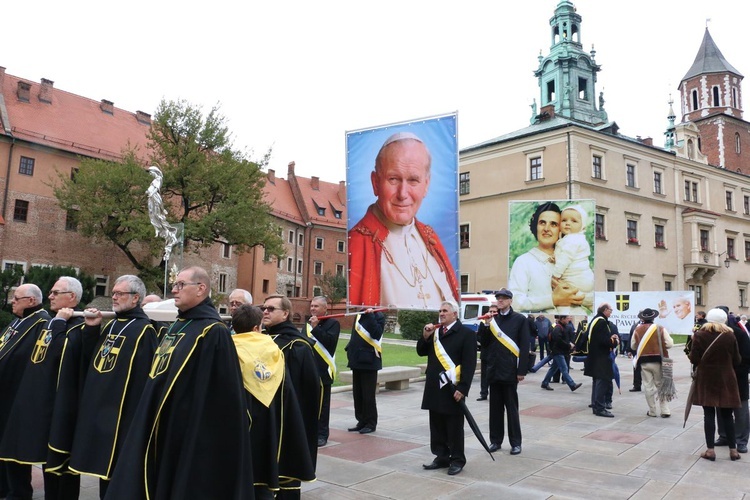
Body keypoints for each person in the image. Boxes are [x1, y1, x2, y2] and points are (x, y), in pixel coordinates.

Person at [105, 266, 253, 499]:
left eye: (181, 285)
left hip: (186, 431)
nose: (174, 290)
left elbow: (220, 395)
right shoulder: (178, 325)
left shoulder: (213, 331)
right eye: (174, 285)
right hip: (161, 423)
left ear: (201, 289)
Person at [69, 275, 158, 499]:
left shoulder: (144, 330)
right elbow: (94, 362)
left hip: (121, 415)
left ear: (135, 298)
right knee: (102, 472)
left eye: (120, 294)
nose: (114, 297)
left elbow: (143, 378)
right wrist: (91, 330)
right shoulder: (113, 324)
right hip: (100, 411)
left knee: (118, 476)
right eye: (114, 293)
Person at [348, 132, 459, 309]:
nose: (402, 194)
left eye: (413, 180)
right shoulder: (356, 243)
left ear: (426, 185)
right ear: (375, 183)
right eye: (393, 179)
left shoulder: (431, 239)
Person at [0, 277, 84, 500]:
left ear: (72, 297)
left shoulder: (67, 323)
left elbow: (58, 354)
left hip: (54, 402)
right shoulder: (49, 321)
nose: (51, 296)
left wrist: (58, 323)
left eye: (56, 292)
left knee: (56, 464)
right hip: (28, 395)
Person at [232, 304, 315, 500]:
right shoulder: (275, 350)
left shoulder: (227, 347)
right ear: (256, 327)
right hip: (272, 421)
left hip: (241, 423)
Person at [262, 294, 320, 499]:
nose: (265, 312)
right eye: (264, 308)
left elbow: (310, 389)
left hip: (287, 418)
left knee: (286, 470)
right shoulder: (261, 339)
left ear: (285, 313)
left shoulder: (297, 346)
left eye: (271, 309)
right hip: (264, 417)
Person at [0, 284, 51, 499]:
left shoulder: (43, 323)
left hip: (18, 394)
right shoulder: (18, 320)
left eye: (17, 298)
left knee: (15, 447)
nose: (12, 301)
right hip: (5, 392)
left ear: (31, 300)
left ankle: (18, 492)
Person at [417, 300, 476, 476]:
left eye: (445, 311)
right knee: (436, 425)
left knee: (454, 426)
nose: (441, 313)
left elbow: (469, 364)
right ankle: (441, 456)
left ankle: (457, 459)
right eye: (440, 310)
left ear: (455, 314)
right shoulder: (435, 333)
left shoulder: (466, 334)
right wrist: (425, 337)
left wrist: (463, 388)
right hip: (435, 387)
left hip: (453, 388)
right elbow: (421, 351)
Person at [508, 202, 587, 313]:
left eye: (553, 224)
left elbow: (587, 293)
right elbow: (515, 303)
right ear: (536, 226)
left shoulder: (574, 259)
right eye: (542, 223)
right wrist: (553, 300)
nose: (546, 228)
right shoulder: (523, 262)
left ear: (561, 229)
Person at [479, 288, 530, 455]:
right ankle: (495, 441)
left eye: (503, 298)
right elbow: (484, 343)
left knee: (512, 409)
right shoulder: (492, 319)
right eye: (498, 298)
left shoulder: (519, 319)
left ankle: (516, 442)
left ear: (510, 301)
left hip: (509, 370)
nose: (500, 301)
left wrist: (521, 370)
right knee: (495, 409)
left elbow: (524, 345)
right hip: (493, 370)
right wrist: (486, 326)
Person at [689, 308, 742, 461]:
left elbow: (694, 358)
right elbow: (737, 359)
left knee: (709, 414)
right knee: (727, 415)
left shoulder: (700, 335)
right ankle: (733, 450)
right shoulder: (730, 336)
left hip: (707, 379)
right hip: (726, 378)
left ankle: (710, 450)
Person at [305, 296, 340, 447]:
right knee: (308, 403)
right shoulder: (308, 323)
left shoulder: (333, 323)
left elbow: (330, 343)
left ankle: (322, 434)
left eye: (316, 306)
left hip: (323, 371)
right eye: (312, 306)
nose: (313, 308)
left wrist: (316, 328)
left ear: (325, 309)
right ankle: (309, 431)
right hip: (308, 369)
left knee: (322, 407)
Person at [345, 308, 386, 434]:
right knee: (358, 394)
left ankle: (371, 423)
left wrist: (370, 315)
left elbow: (376, 333)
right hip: (356, 359)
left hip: (369, 361)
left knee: (368, 395)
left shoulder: (378, 316)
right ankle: (361, 420)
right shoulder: (359, 315)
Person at [715, 311, 750, 454]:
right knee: (721, 408)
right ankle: (724, 435)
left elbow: (747, 358)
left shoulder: (740, 334)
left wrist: (734, 372)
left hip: (737, 378)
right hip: (719, 378)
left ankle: (741, 440)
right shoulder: (712, 334)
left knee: (741, 410)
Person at [551, 205, 594, 315]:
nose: (568, 223)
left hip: (577, 278)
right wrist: (555, 257)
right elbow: (564, 255)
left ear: (582, 225)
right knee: (583, 300)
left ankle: (565, 315)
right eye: (564, 220)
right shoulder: (574, 239)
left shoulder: (573, 239)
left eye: (574, 221)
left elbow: (566, 258)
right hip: (584, 278)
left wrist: (555, 275)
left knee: (566, 299)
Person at [631, 308, 673, 418]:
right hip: (658, 360)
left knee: (648, 386)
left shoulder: (637, 329)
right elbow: (669, 344)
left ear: (643, 318)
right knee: (660, 385)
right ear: (653, 317)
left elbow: (633, 346)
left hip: (644, 362)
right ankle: (665, 410)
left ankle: (652, 411)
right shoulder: (660, 328)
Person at [584, 303, 619, 417]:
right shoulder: (602, 322)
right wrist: (615, 340)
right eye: (610, 310)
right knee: (602, 381)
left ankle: (595, 405)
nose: (611, 312)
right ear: (605, 310)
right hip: (601, 357)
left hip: (594, 355)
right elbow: (605, 342)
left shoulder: (595, 319)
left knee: (596, 381)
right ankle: (599, 408)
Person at [540, 315, 583, 392]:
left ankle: (545, 383)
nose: (568, 320)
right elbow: (558, 340)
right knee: (564, 368)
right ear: (562, 319)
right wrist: (568, 345)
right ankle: (572, 385)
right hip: (558, 351)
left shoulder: (563, 327)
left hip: (560, 351)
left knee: (553, 368)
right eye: (566, 318)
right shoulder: (558, 328)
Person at [476, 304, 499, 401]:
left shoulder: (500, 324)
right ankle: (483, 393)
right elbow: (480, 338)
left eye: (494, 311)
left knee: (496, 375)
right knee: (484, 375)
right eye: (491, 311)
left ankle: (496, 394)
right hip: (486, 353)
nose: (492, 313)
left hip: (497, 354)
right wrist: (487, 325)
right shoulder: (483, 323)